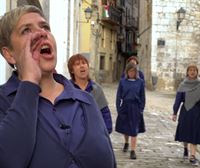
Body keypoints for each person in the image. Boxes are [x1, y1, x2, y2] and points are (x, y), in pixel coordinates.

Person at [0, 5, 116, 168]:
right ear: (9, 54)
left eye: (45, 26)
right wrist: (29, 82)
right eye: (26, 30)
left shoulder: (86, 100)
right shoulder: (3, 101)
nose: (41, 33)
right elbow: (9, 161)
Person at [67, 54, 113, 134]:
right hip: (73, 136)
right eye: (77, 64)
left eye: (84, 63)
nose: (82, 66)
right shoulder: (66, 89)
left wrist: (106, 131)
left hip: (93, 135)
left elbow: (104, 112)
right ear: (72, 70)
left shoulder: (96, 89)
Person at [115, 62, 145, 159]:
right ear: (127, 72)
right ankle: (126, 142)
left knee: (134, 129)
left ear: (136, 72)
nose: (131, 73)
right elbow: (118, 96)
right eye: (130, 71)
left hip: (135, 107)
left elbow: (142, 96)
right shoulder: (122, 82)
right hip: (125, 106)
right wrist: (118, 108)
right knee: (126, 128)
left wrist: (141, 108)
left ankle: (133, 150)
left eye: (133, 71)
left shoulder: (140, 82)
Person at [172, 64, 200, 166]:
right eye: (190, 70)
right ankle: (185, 149)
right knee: (186, 132)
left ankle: (192, 156)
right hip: (186, 111)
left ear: (197, 72)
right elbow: (178, 99)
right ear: (187, 72)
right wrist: (175, 112)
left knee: (194, 133)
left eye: (194, 70)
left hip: (197, 112)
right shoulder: (183, 85)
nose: (192, 72)